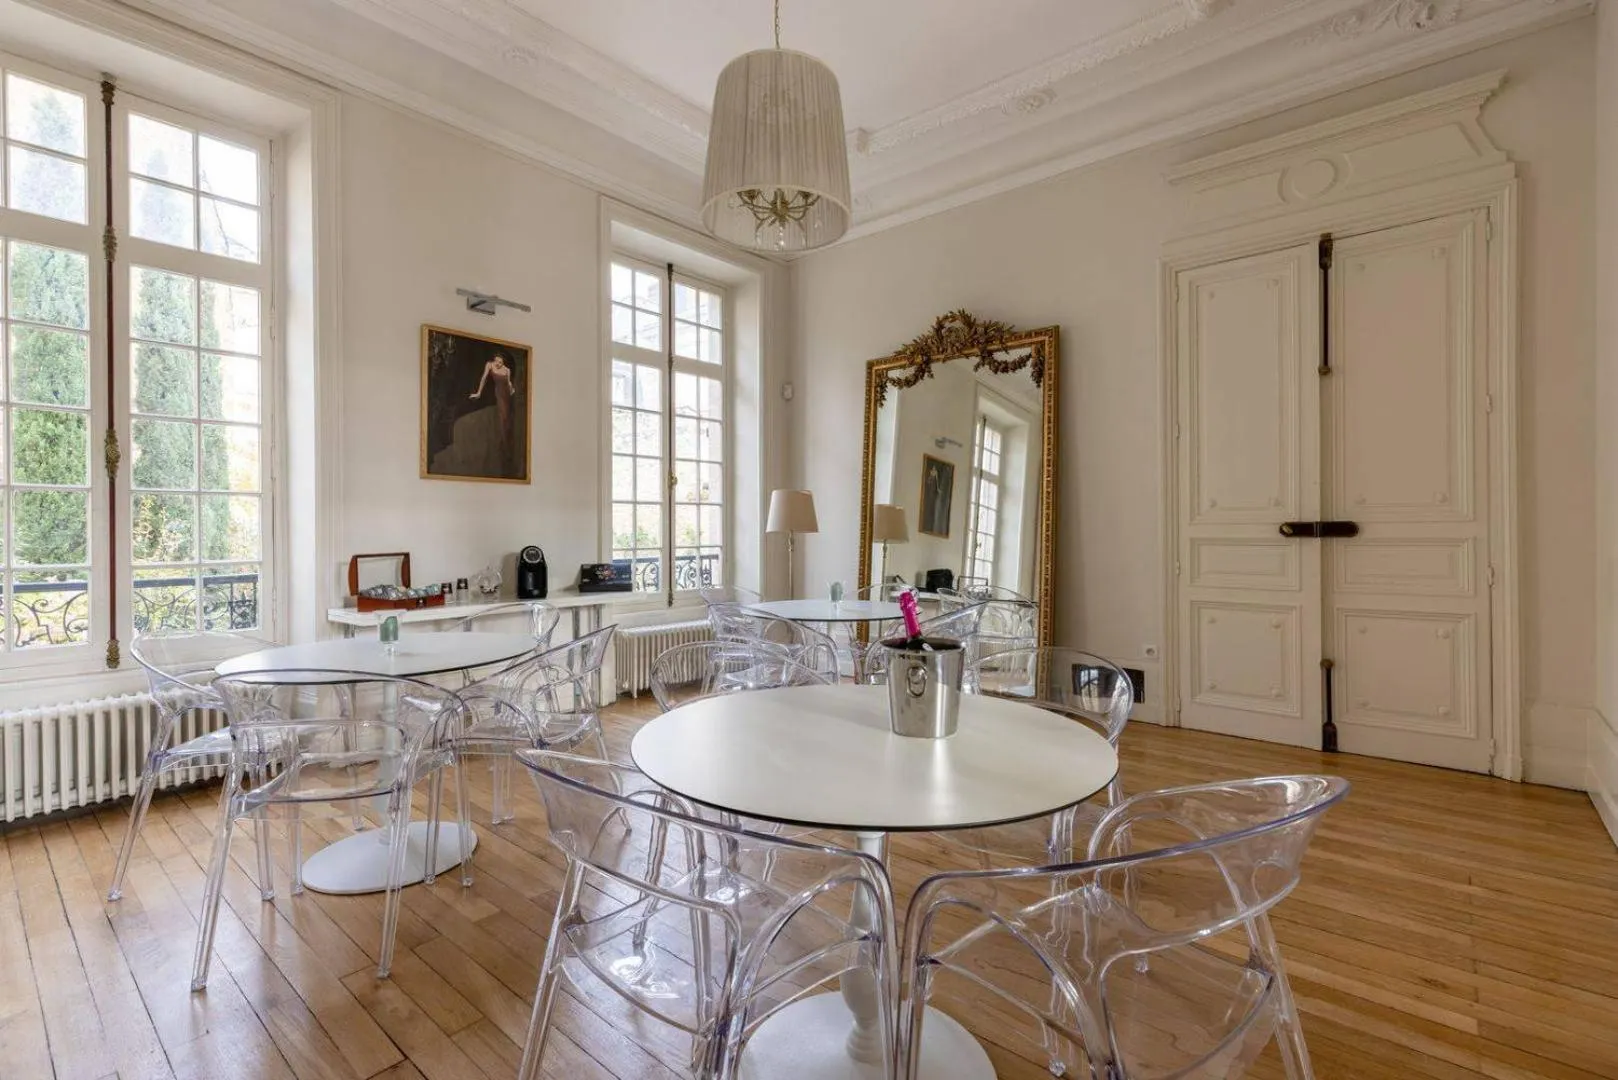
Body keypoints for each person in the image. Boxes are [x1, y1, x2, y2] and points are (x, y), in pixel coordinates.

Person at [470, 352, 517, 467]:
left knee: (507, 418)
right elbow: (484, 378)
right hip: (499, 393)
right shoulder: (489, 365)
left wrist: (511, 389)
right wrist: (478, 393)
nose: (498, 364)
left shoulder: (507, 370)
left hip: (507, 394)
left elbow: (509, 382)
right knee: (503, 417)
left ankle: (506, 446)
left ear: (503, 363)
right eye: (497, 361)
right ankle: (504, 448)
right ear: (494, 360)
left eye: (500, 362)